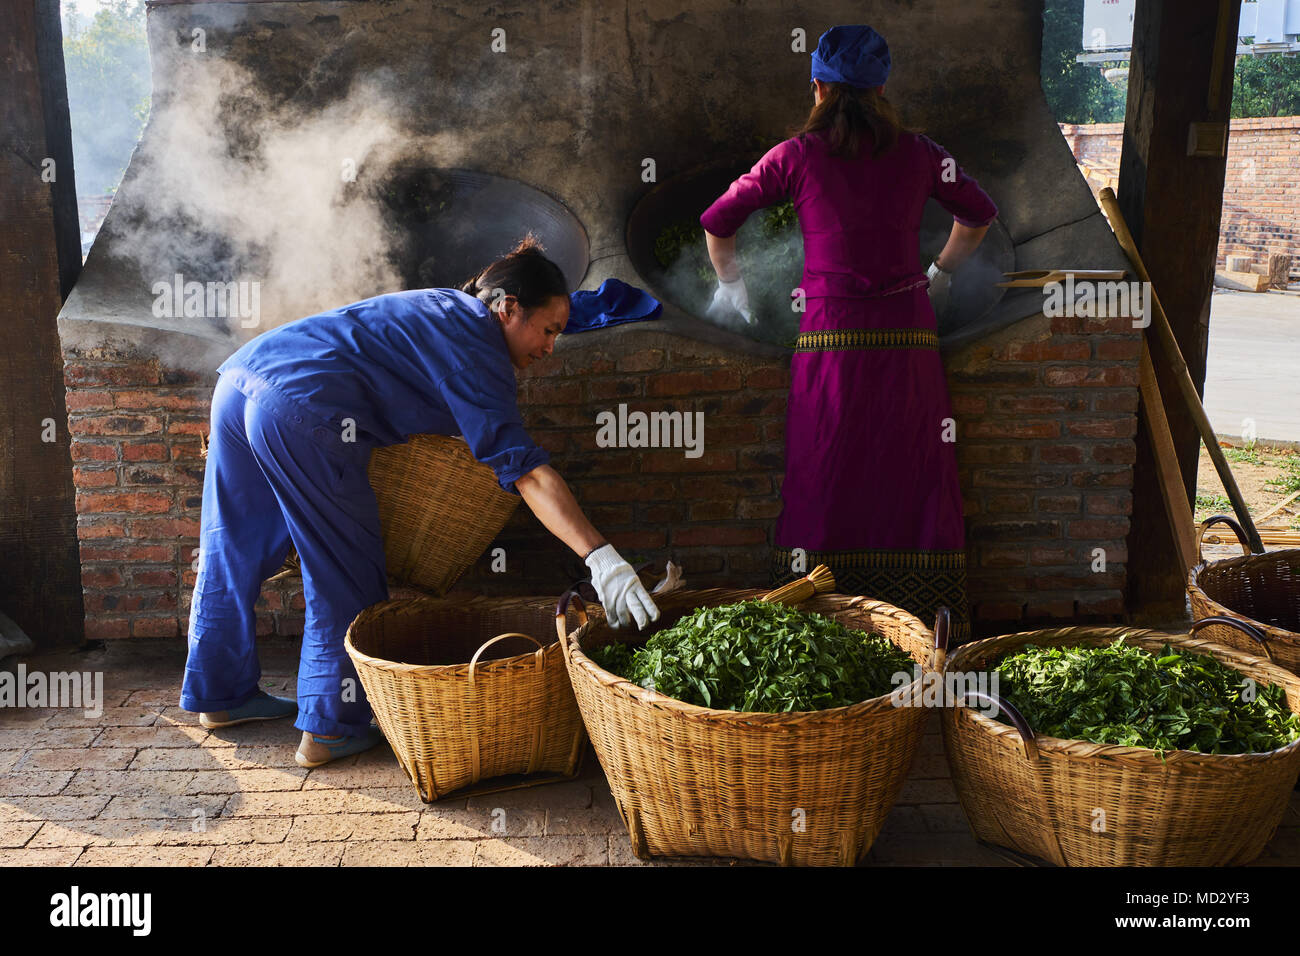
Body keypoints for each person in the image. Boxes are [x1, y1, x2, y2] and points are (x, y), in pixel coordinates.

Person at [180, 237, 659, 767]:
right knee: (344, 573)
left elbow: (542, 314)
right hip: (301, 408)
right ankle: (330, 728)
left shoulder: (448, 305)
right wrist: (599, 556)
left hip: (241, 380)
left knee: (232, 547)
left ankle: (219, 694)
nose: (550, 347)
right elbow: (525, 471)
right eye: (547, 331)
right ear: (508, 309)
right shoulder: (477, 349)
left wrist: (572, 313)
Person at [700, 25, 997, 640]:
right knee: (912, 467)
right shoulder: (921, 153)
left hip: (830, 342)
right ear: (882, 89)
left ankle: (821, 609)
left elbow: (718, 221)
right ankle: (924, 621)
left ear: (818, 87)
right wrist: (941, 271)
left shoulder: (795, 156)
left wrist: (732, 286)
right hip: (907, 338)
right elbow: (978, 214)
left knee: (825, 465)